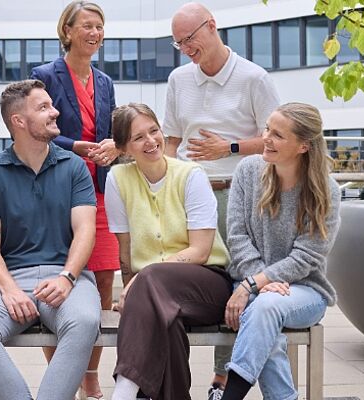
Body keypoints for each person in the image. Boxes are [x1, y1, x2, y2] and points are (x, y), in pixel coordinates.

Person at [0, 79, 101, 400]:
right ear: (18, 121)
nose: (55, 112)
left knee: (85, 320)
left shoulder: (75, 166)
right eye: (43, 107)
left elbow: (85, 231)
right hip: (11, 280)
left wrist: (67, 278)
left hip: (68, 277)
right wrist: (8, 289)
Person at [164, 3, 280, 396]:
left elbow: (277, 138)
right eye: (178, 42)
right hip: (188, 194)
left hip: (239, 194)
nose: (185, 48)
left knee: (237, 282)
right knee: (187, 281)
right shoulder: (179, 79)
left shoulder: (253, 77)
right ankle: (169, 377)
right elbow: (171, 141)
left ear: (211, 27)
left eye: (189, 39)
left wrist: (228, 147)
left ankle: (223, 377)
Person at [105, 103, 232, 400]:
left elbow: (200, 251)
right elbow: (125, 252)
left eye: (154, 130)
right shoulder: (118, 179)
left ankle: (124, 391)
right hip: (154, 293)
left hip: (206, 284)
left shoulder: (191, 175)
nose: (151, 141)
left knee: (151, 279)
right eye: (138, 137)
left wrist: (142, 280)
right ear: (124, 148)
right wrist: (133, 295)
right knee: (167, 323)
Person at [220, 103, 340, 400]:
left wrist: (256, 284)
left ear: (303, 146)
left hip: (305, 292)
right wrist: (258, 282)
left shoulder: (326, 190)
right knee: (265, 322)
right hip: (251, 288)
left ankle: (230, 395)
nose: (266, 139)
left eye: (277, 135)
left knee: (265, 306)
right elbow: (236, 235)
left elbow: (307, 257)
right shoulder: (248, 170)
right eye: (267, 130)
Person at [29, 2, 118, 397]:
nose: (95, 33)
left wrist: (114, 144)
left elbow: (114, 128)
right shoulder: (44, 76)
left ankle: (91, 378)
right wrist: (77, 146)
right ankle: (61, 379)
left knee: (101, 284)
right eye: (87, 26)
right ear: (67, 31)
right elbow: (36, 128)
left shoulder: (105, 81)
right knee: (55, 283)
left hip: (99, 191)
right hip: (58, 191)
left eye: (99, 27)